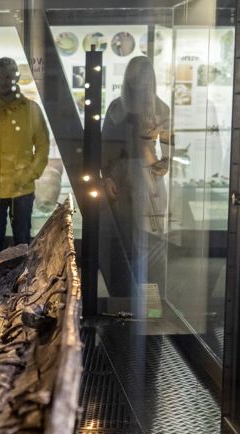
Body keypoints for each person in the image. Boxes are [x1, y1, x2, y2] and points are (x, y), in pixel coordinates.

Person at [99, 55, 172, 297]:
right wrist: (107, 177)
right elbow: (105, 147)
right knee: (124, 240)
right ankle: (125, 300)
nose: (138, 82)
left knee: (149, 242)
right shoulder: (117, 108)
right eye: (134, 77)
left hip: (146, 180)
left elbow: (168, 157)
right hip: (121, 180)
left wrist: (152, 169)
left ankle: (148, 304)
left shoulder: (161, 109)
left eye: (141, 77)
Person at [0, 57, 49, 257]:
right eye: (1, 75)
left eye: (9, 75)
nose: (5, 80)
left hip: (22, 187)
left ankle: (23, 284)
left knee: (22, 238)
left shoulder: (31, 109)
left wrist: (30, 174)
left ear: (17, 76)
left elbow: (42, 146)